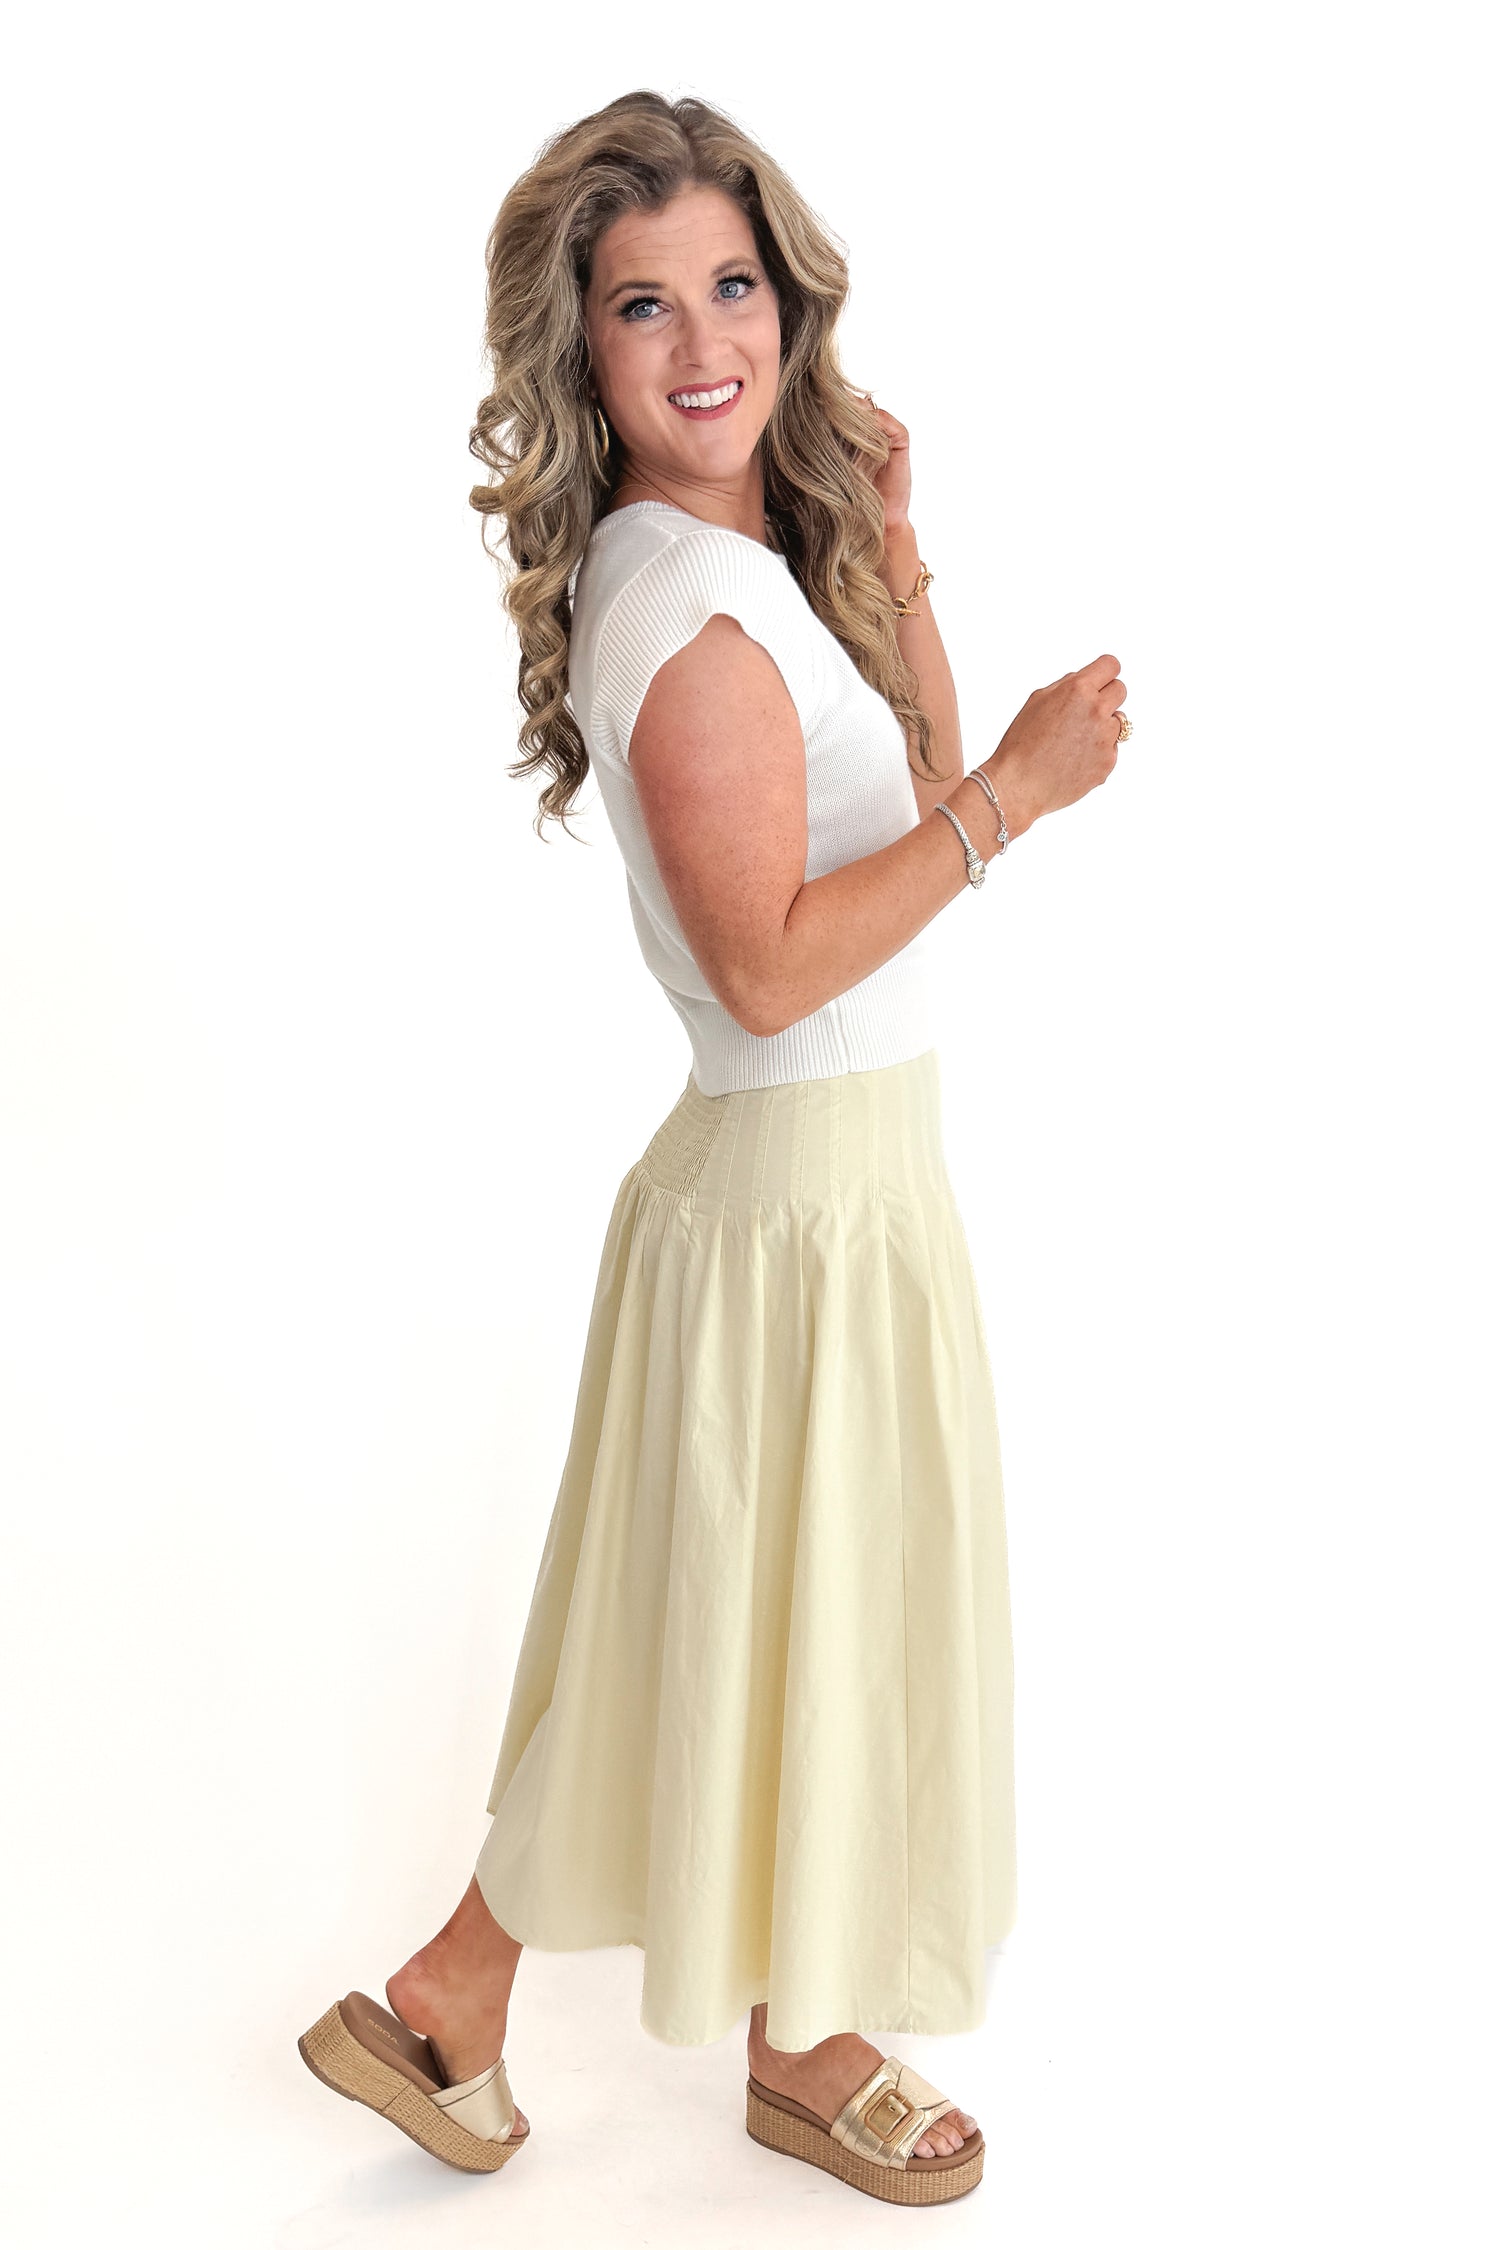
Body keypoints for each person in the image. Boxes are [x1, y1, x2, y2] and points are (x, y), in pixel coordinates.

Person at [297, 88, 1126, 2208]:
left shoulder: (746, 562)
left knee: (744, 1631)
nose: (701, 343)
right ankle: (699, 2027)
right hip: (790, 1206)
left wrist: (907, 549)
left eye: (731, 286)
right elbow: (770, 966)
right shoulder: (689, 627)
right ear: (582, 353)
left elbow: (911, 772)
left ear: (788, 299)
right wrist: (1018, 798)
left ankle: (488, 2013)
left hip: (830, 1196)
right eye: (641, 305)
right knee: (768, 1631)